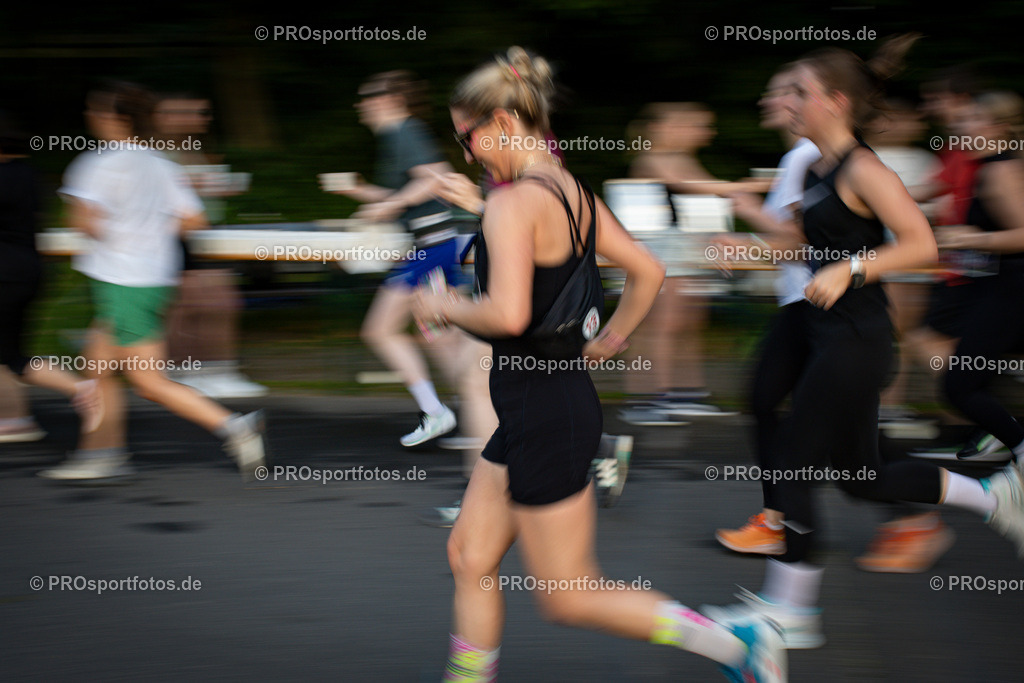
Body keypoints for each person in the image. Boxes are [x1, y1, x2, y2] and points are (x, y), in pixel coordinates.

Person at [418, 47, 785, 682]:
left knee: (569, 595)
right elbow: (648, 269)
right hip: (546, 406)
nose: (467, 154)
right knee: (469, 553)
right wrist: (608, 340)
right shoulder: (569, 192)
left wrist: (446, 305)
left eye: (467, 138)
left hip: (544, 415)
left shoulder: (513, 202)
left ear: (503, 123)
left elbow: (506, 315)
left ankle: (736, 640)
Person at [702, 39, 1024, 656]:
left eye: (798, 91)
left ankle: (790, 611)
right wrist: (748, 252)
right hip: (829, 334)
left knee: (797, 462)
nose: (785, 102)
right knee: (861, 476)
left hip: (856, 339)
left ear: (835, 101)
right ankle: (991, 496)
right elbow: (807, 248)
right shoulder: (822, 170)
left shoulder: (862, 168)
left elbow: (921, 243)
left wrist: (852, 268)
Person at [39, 80, 266, 482]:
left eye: (97, 110)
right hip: (151, 280)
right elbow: (195, 220)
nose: (90, 116)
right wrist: (147, 226)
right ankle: (102, 453)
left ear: (117, 118)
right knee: (98, 369)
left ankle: (235, 426)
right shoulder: (162, 164)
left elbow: (82, 221)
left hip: (122, 281)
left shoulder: (97, 163)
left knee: (147, 381)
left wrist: (117, 227)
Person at [713, 64, 821, 557]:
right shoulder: (798, 157)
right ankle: (780, 519)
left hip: (812, 303)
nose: (765, 101)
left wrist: (746, 229)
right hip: (804, 301)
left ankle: (780, 522)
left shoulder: (804, 158)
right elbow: (793, 243)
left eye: (776, 93)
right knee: (803, 415)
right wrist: (748, 245)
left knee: (774, 405)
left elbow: (801, 242)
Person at [322, 71, 462, 447]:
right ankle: (479, 415)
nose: (360, 105)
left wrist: (393, 205)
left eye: (366, 97)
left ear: (389, 100)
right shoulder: (397, 136)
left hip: (430, 249)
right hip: (430, 247)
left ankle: (443, 412)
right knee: (440, 337)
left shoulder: (405, 131)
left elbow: (437, 180)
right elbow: (404, 190)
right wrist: (360, 191)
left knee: (383, 330)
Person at [620, 103, 767, 424]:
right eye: (696, 126)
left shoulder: (684, 160)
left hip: (685, 251)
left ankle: (686, 393)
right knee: (661, 326)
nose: (705, 133)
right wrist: (741, 188)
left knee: (690, 323)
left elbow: (706, 198)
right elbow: (690, 187)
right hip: (658, 252)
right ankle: (648, 399)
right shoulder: (649, 159)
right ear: (664, 129)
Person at [154, 93, 267, 400]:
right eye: (188, 112)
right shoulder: (156, 150)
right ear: (163, 116)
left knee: (216, 304)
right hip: (175, 234)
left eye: (202, 113)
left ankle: (212, 371)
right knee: (189, 307)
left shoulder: (196, 148)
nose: (199, 119)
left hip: (205, 234)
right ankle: (189, 372)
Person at [0, 111, 103, 441]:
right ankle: (14, 420)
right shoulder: (30, 174)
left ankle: (82, 389)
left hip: (5, 275)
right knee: (9, 354)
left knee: (11, 356)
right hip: (28, 271)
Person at [937, 91, 1024, 469]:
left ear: (997, 128)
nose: (961, 131)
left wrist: (972, 238)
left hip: (1010, 291)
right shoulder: (999, 167)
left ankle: (1016, 444)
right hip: (997, 290)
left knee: (960, 386)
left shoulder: (999, 171)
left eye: (971, 121)